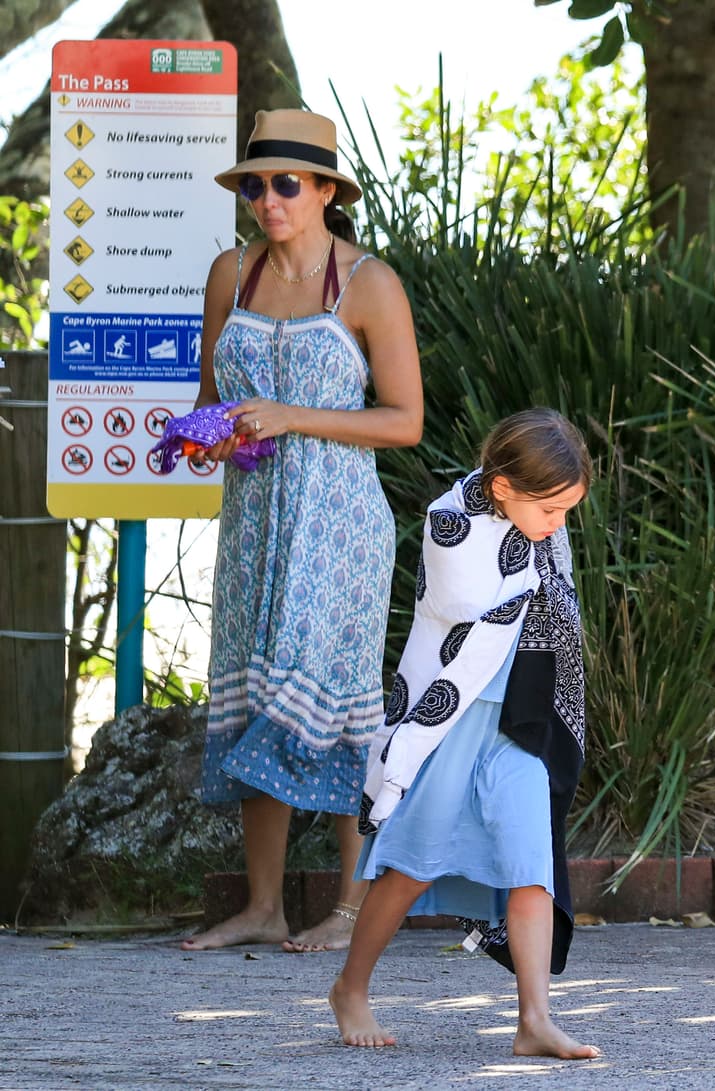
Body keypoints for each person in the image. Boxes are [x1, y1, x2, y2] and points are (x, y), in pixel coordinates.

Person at [180, 109, 424, 953]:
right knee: (254, 687)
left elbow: (406, 422)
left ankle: (351, 908)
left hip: (341, 524)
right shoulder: (231, 274)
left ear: (325, 190)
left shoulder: (368, 284)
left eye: (287, 183)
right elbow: (217, 395)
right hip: (254, 519)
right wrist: (211, 431)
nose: (269, 198)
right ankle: (262, 905)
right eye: (255, 183)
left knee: (330, 694)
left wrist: (292, 416)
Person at [328, 409, 598, 1059]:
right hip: (450, 724)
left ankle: (534, 1017)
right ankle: (350, 986)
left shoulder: (536, 525)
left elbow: (552, 598)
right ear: (504, 488)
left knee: (534, 866)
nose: (559, 526)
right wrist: (534, 578)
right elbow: (473, 609)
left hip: (518, 723)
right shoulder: (451, 522)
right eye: (553, 510)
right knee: (409, 864)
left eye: (568, 510)